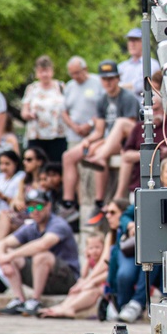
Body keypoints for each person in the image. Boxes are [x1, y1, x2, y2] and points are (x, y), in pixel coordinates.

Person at [59, 59, 140, 222]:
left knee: (117, 126)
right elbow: (100, 131)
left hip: (127, 140)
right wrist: (87, 141)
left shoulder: (128, 97)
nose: (108, 82)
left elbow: (132, 130)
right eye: (105, 79)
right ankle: (78, 202)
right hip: (109, 140)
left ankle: (100, 160)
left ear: (118, 78)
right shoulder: (102, 99)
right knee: (72, 154)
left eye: (111, 78)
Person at [0, 188, 80, 316]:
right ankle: (20, 300)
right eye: (30, 208)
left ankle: (35, 300)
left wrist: (10, 256)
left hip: (66, 279)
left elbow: (43, 245)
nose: (35, 211)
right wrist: (3, 258)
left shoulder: (58, 224)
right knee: (9, 255)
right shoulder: (31, 227)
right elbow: (2, 243)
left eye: (39, 206)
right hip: (42, 277)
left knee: (41, 256)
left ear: (48, 206)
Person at [38, 232, 108, 319]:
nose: (94, 251)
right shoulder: (92, 260)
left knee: (88, 287)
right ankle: (63, 306)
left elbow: (106, 275)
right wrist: (87, 259)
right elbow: (83, 275)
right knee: (79, 284)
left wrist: (88, 283)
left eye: (97, 247)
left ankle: (70, 308)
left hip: (105, 286)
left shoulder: (105, 260)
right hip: (95, 283)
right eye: (91, 248)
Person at [20, 55, 67, 159]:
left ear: (52, 71)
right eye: (41, 71)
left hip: (57, 134)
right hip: (36, 135)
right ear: (37, 73)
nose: (45, 74)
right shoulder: (32, 88)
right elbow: (24, 111)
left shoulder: (60, 86)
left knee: (55, 165)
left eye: (47, 71)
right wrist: (28, 114)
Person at [61, 56, 104, 147]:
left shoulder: (98, 82)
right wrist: (74, 127)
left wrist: (89, 124)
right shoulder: (69, 86)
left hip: (95, 134)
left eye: (77, 73)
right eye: (72, 74)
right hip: (74, 137)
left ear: (85, 69)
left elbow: (103, 107)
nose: (75, 77)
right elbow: (64, 112)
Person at [118, 28, 161, 97]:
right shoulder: (122, 66)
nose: (132, 44)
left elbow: (143, 86)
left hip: (145, 106)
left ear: (144, 42)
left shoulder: (152, 64)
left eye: (135, 40)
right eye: (130, 41)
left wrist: (119, 87)